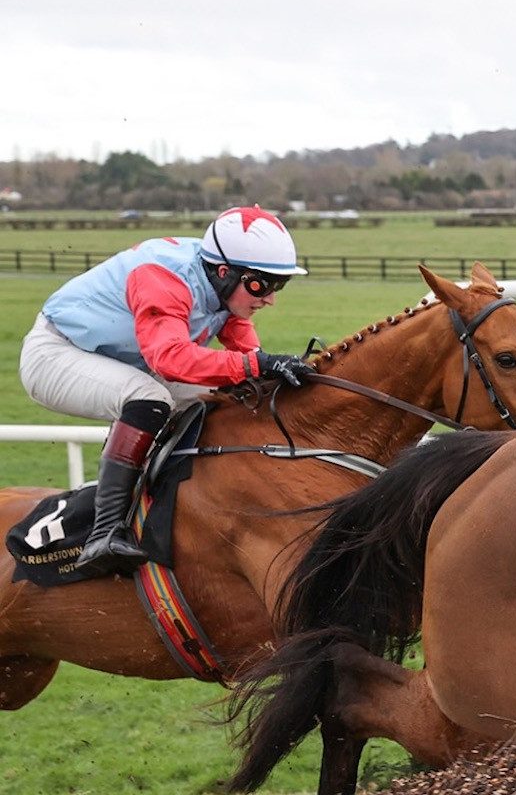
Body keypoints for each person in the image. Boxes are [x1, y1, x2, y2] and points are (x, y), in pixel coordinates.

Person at [18, 204, 313, 573]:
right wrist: (258, 365)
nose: (269, 298)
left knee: (226, 400)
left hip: (123, 359)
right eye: (261, 285)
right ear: (224, 273)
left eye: (278, 285)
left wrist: (272, 371)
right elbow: (169, 359)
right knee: (149, 398)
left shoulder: (221, 284)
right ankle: (104, 534)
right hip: (56, 353)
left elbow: (248, 358)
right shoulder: (164, 279)